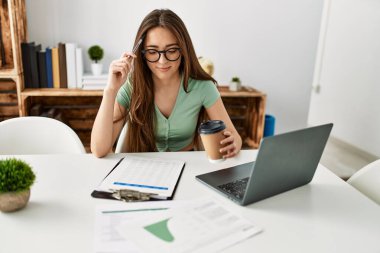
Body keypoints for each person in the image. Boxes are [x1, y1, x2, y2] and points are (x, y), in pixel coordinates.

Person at [91, 9, 242, 158]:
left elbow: (234, 136)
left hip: (188, 165)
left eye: (171, 50)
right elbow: (99, 150)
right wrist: (110, 90)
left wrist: (234, 143)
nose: (162, 61)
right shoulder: (132, 86)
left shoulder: (203, 87)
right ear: (141, 54)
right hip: (143, 166)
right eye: (152, 51)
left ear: (183, 50)